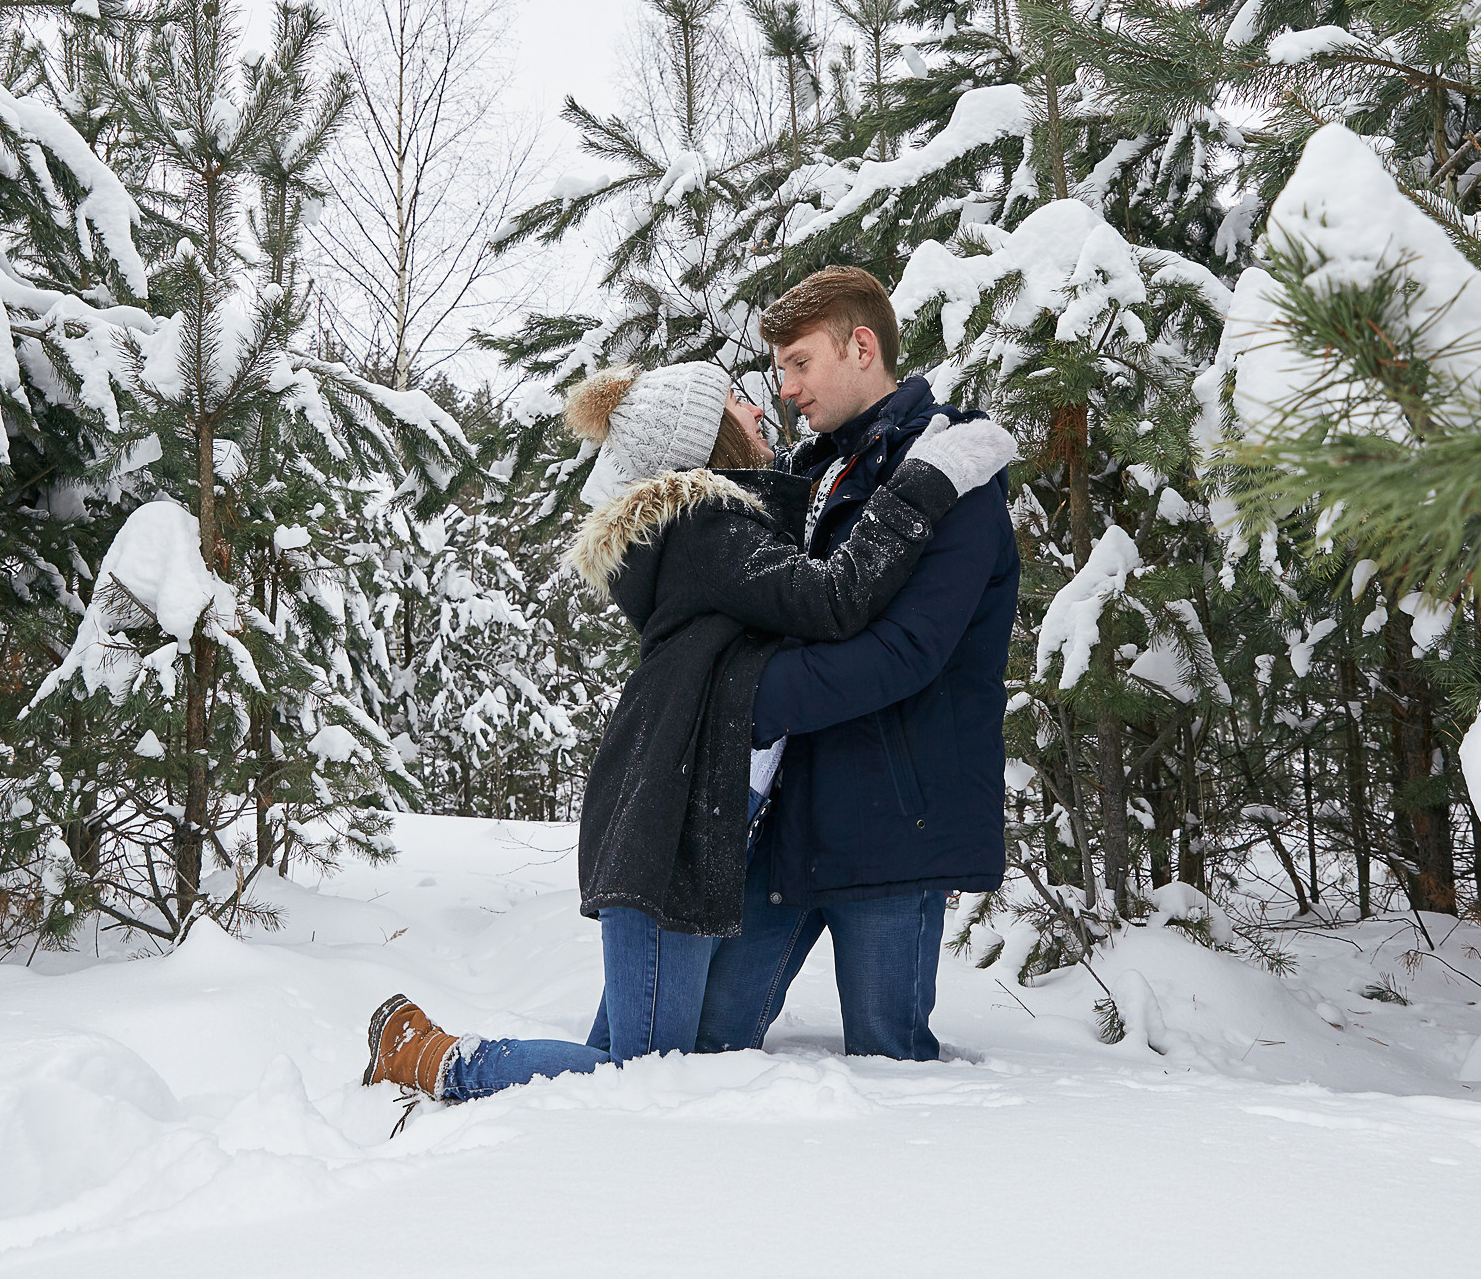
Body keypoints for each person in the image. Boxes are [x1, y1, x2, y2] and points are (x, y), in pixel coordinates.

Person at [361, 359, 1015, 1102]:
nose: (762, 408)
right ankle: (437, 1059)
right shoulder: (708, 530)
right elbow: (836, 598)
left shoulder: (715, 529)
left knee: (635, 1053)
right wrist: (925, 480)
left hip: (686, 821)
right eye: (740, 401)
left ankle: (431, 1054)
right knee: (643, 1073)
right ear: (708, 435)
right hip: (664, 829)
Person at [695, 265, 1021, 1063]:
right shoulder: (814, 474)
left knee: (889, 1064)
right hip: (795, 823)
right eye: (781, 372)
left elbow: (909, 652)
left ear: (862, 345)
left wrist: (753, 697)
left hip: (894, 831)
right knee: (708, 1043)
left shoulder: (954, 473)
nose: (789, 389)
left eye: (800, 363)